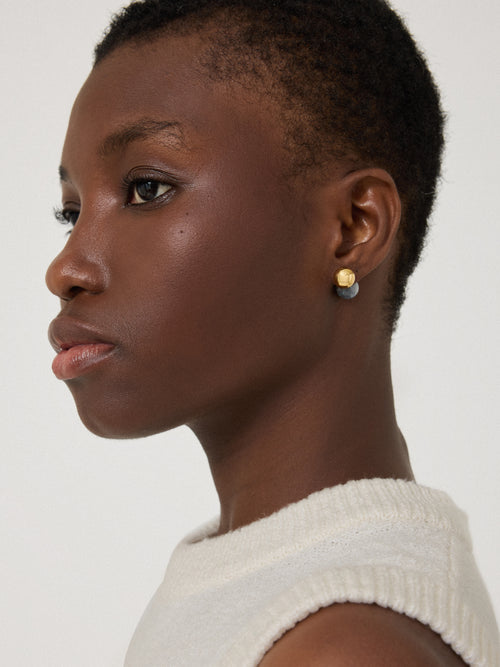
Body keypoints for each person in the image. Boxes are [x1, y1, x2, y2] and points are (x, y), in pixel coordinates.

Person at [45, 0, 499, 665]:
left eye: (146, 188)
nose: (66, 268)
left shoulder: (346, 647)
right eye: (71, 212)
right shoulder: (276, 581)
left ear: (352, 228)